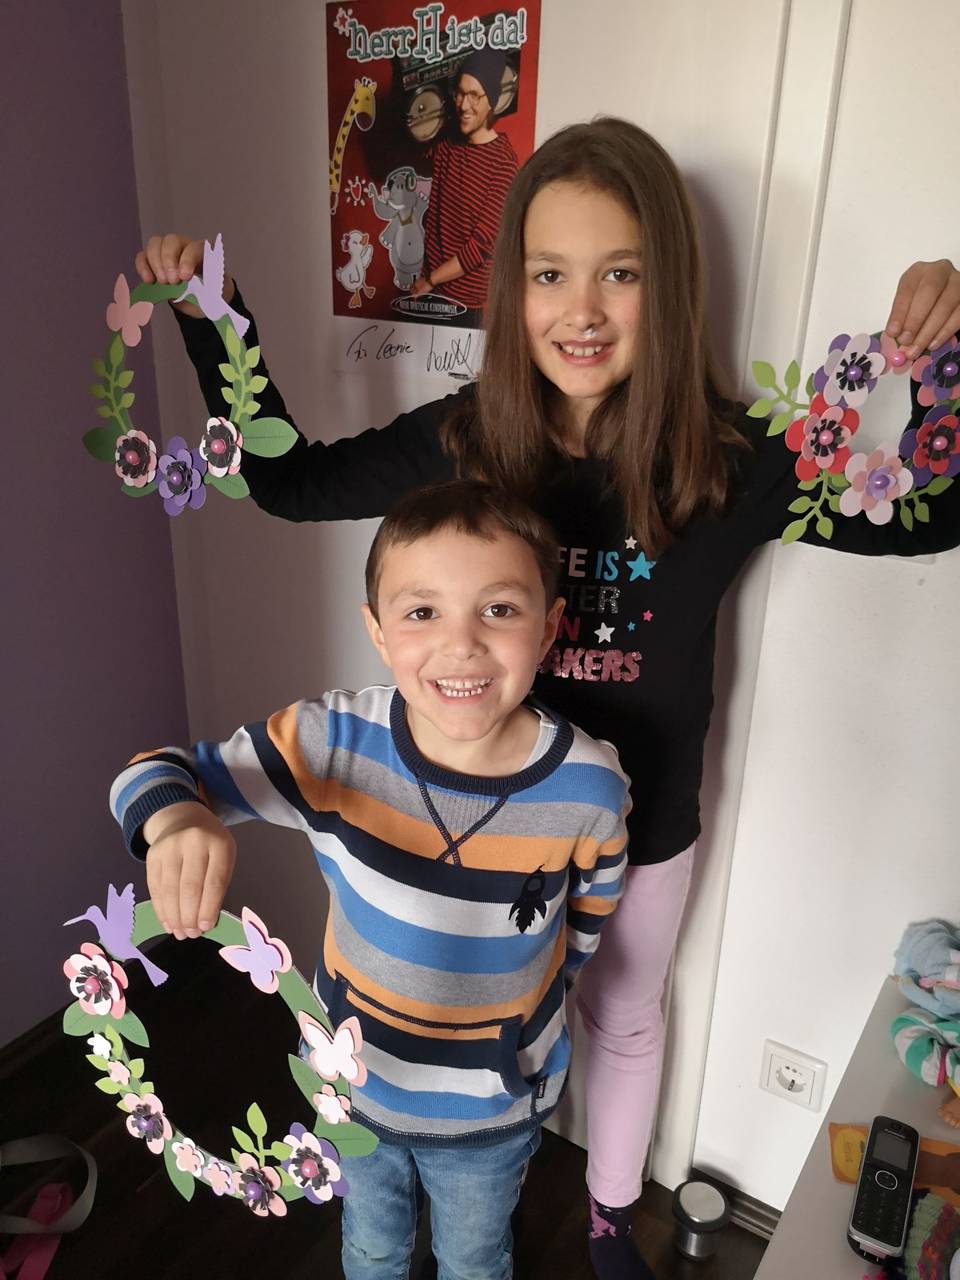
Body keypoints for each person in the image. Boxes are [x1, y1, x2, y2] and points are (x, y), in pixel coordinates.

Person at [136, 117, 960, 1280]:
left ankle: (610, 1218)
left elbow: (928, 512)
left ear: (667, 288)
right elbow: (286, 479)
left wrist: (939, 363)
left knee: (623, 1014)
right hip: (467, 827)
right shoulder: (467, 437)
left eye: (620, 273)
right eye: (549, 274)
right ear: (511, 291)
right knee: (459, 1042)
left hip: (642, 821)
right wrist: (216, 323)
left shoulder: (730, 456)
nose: (583, 309)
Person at [109, 480, 630, 1279]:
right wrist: (177, 818)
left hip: (491, 1111)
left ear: (550, 626)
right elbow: (154, 772)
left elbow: (584, 930)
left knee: (474, 1261)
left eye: (499, 609)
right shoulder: (335, 743)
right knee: (372, 1248)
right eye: (422, 612)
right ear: (379, 633)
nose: (461, 645)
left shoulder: (590, 787)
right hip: (352, 1088)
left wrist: (519, 1034)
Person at [410, 46, 518, 316]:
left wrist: (431, 279)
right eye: (460, 93)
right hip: (432, 289)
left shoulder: (504, 163)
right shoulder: (446, 144)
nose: (464, 105)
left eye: (474, 95)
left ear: (492, 100)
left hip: (467, 304)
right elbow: (405, 139)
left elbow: (480, 246)